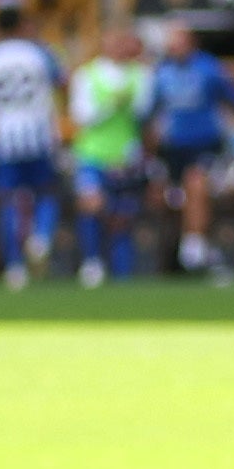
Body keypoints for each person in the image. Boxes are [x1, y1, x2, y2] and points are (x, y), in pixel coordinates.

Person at [142, 22, 234, 275]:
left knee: (196, 183)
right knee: (173, 196)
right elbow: (148, 112)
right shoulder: (162, 73)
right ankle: (191, 247)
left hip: (206, 144)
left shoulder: (209, 69)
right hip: (173, 148)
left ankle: (194, 244)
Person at [0, 2, 68, 290]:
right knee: (47, 192)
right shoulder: (40, 53)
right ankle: (41, 236)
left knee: (8, 200)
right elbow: (63, 82)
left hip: (6, 137)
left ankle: (15, 267)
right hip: (39, 133)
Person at [66, 25, 149, 285]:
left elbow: (143, 112)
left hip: (125, 155)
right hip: (92, 153)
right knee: (92, 205)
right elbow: (81, 115)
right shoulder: (87, 75)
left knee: (121, 216)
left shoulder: (141, 75)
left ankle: (122, 271)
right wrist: (110, 105)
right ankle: (92, 262)